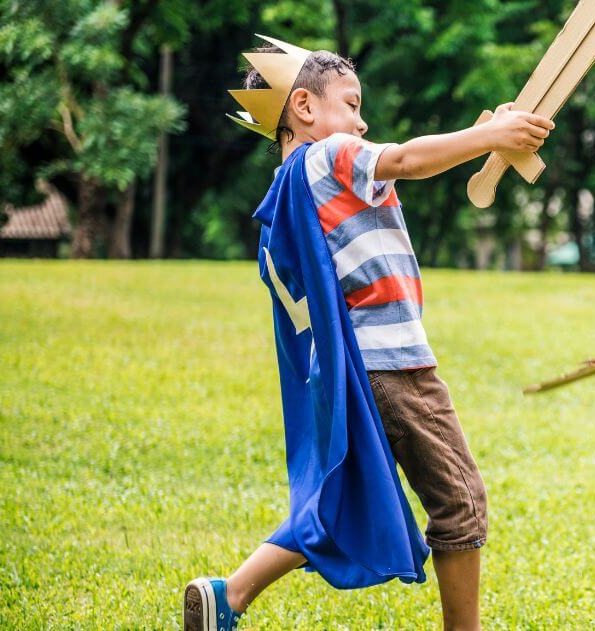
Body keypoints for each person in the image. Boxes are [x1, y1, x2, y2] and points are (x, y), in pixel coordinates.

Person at [184, 36, 554, 631]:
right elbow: (406, 159)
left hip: (354, 372)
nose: (362, 121)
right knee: (461, 502)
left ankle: (228, 595)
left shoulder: (291, 184)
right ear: (305, 108)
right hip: (393, 365)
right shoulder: (328, 153)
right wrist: (488, 138)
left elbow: (410, 166)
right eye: (352, 104)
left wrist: (484, 135)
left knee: (343, 499)